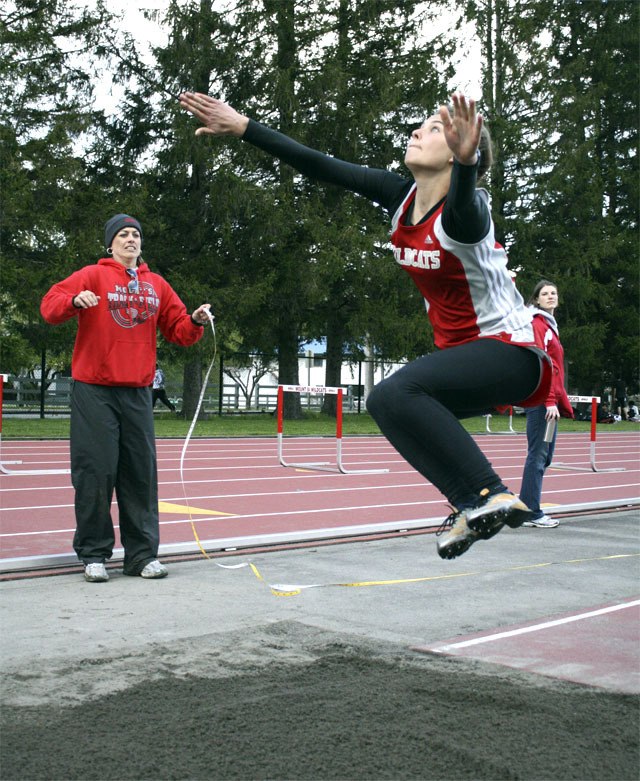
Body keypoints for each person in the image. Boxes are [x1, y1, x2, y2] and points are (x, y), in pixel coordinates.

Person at [179, 91, 553, 560]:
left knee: (399, 392)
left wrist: (466, 164)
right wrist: (245, 128)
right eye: (422, 124)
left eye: (435, 129)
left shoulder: (466, 211)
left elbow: (463, 200)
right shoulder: (401, 196)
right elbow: (320, 164)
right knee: (385, 404)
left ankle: (489, 490)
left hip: (515, 353)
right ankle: (468, 501)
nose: (418, 131)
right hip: (474, 358)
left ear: (463, 153)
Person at [41, 214, 212, 583]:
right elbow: (50, 306)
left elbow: (178, 331)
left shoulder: (157, 285)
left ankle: (141, 556)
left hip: (137, 392)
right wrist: (74, 299)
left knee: (140, 476)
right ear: (110, 244)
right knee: (95, 473)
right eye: (123, 235)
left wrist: (195, 321)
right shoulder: (92, 275)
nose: (130, 239)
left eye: (135, 234)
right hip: (94, 390)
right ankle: (94, 554)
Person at [518, 281, 574, 528]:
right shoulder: (539, 324)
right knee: (538, 456)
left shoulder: (550, 325)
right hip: (542, 403)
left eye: (554, 293)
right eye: (545, 294)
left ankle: (528, 507)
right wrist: (549, 400)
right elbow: (545, 365)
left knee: (544, 456)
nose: (550, 296)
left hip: (548, 402)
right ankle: (531, 512)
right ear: (537, 300)